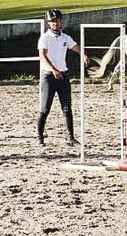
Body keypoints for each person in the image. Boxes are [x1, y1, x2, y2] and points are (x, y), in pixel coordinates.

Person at [36, 8, 89, 147]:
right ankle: (39, 136)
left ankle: (70, 137)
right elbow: (42, 56)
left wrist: (83, 54)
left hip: (63, 75)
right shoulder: (45, 37)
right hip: (48, 76)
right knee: (45, 108)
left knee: (67, 108)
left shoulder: (65, 37)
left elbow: (76, 46)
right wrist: (53, 70)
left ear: (61, 22)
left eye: (57, 21)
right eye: (52, 21)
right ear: (48, 23)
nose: (55, 23)